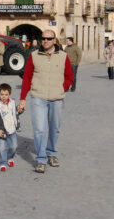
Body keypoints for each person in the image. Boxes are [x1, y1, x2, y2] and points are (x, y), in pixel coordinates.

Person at [18, 29, 73, 174]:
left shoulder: (63, 56)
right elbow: (27, 78)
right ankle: (41, 159)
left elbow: (69, 76)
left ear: (55, 40)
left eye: (49, 38)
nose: (46, 41)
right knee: (39, 129)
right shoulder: (34, 56)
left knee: (54, 128)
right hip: (38, 98)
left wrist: (62, 88)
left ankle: (52, 153)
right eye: (43, 38)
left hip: (56, 98)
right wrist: (23, 98)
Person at [0, 83, 22, 172]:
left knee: (14, 146)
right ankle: (3, 163)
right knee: (2, 148)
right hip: (2, 131)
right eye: (2, 94)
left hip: (12, 129)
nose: (4, 96)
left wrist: (19, 109)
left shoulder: (12, 102)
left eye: (6, 94)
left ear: (9, 95)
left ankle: (10, 157)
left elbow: (15, 113)